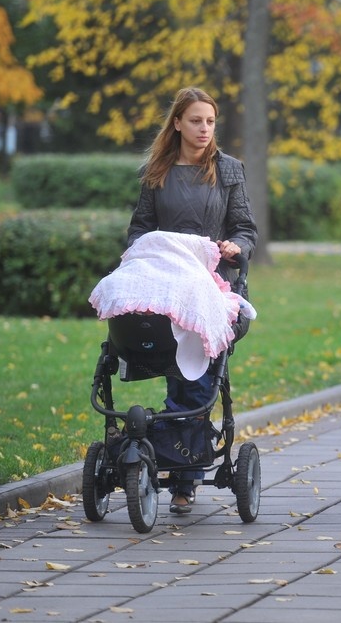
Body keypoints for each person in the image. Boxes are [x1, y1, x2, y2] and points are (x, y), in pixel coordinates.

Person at [127, 87, 258, 513]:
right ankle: (169, 455)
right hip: (165, 285)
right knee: (172, 368)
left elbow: (245, 228)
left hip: (211, 285)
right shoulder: (156, 172)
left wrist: (236, 247)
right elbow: (139, 229)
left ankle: (184, 477)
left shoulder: (229, 170)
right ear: (178, 123)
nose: (205, 129)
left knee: (196, 377)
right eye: (197, 121)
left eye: (211, 122)